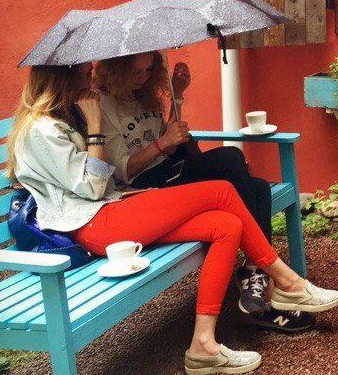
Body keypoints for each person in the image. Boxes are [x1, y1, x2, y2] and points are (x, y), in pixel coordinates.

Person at [6, 63, 338, 375]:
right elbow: (92, 188)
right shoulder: (40, 131)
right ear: (60, 79)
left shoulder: (62, 120)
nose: (90, 79)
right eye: (83, 73)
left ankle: (203, 346)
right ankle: (288, 282)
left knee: (227, 225)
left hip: (112, 209)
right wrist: (95, 127)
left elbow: (100, 185)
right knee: (222, 191)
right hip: (93, 224)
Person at [94, 52, 314, 334]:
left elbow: (171, 147)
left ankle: (257, 279)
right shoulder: (105, 106)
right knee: (231, 158)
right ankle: (259, 275)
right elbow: (123, 171)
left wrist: (178, 95)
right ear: (116, 69)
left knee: (258, 189)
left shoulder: (143, 96)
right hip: (146, 188)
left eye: (148, 71)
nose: (143, 78)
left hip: (172, 169)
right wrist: (162, 143)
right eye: (136, 71)